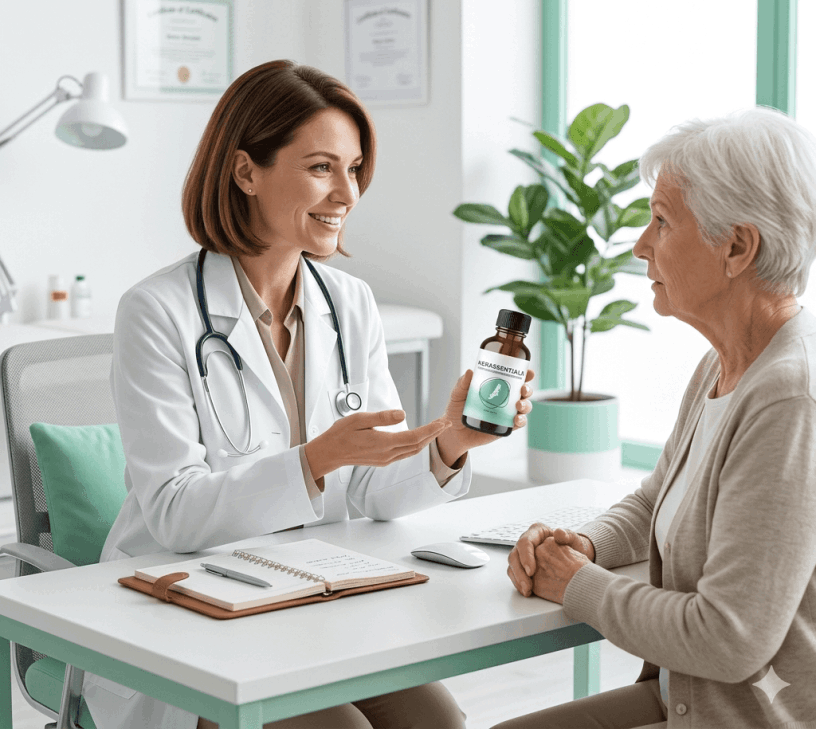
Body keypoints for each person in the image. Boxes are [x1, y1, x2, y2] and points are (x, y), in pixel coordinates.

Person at [81, 60, 536, 729]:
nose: (346, 193)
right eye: (322, 167)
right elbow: (175, 514)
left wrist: (450, 444)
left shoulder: (350, 303)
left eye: (354, 169)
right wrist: (314, 461)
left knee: (437, 721)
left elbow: (372, 492)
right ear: (246, 172)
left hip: (308, 595)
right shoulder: (157, 309)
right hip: (188, 608)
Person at [494, 107, 816, 729]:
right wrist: (585, 544)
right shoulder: (723, 364)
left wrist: (577, 584)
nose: (641, 244)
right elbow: (655, 500)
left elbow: (729, 638)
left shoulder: (789, 399)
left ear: (737, 247)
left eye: (662, 222)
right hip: (684, 701)